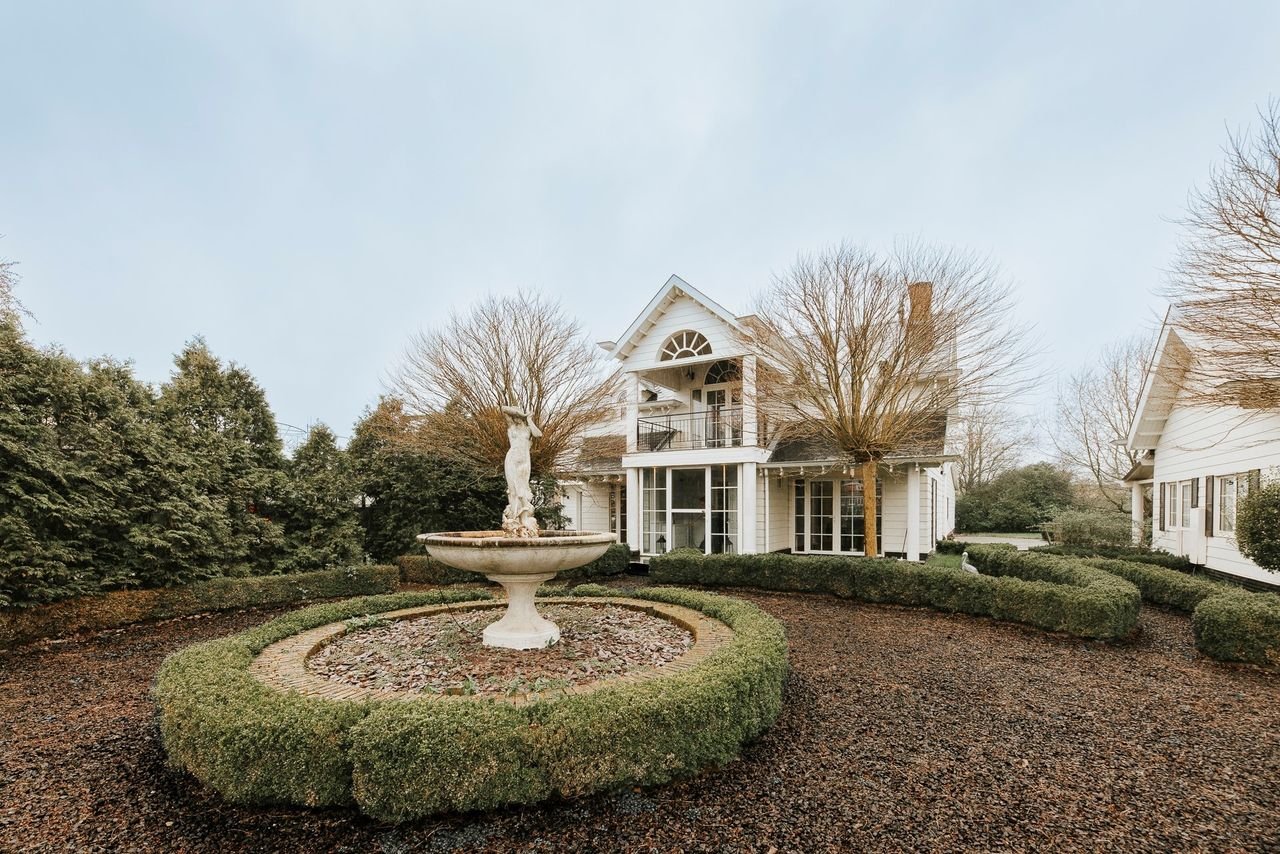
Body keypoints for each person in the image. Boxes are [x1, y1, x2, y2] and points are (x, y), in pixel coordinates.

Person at [500, 405, 542, 538]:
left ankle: (524, 519)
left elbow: (538, 435)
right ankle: (514, 517)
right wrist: (522, 414)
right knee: (512, 490)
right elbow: (504, 409)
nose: (516, 419)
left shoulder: (528, 429)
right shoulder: (511, 427)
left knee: (522, 489)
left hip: (524, 461)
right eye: (515, 417)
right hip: (512, 459)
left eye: (518, 417)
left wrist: (529, 419)